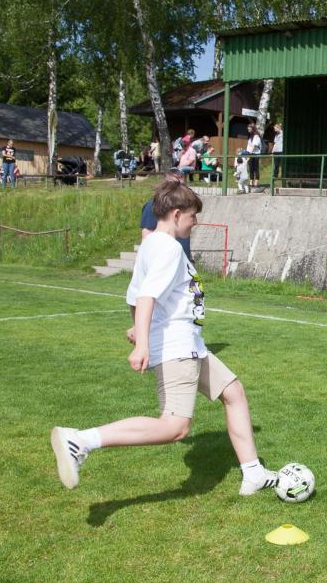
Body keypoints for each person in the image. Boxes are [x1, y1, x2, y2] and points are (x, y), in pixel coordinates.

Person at [50, 180, 277, 496]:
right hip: (177, 347)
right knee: (175, 427)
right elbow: (146, 296)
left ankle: (253, 473)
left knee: (233, 391)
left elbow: (133, 296)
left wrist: (139, 327)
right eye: (192, 216)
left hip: (190, 345)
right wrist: (143, 342)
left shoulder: (150, 246)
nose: (195, 223)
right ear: (176, 214)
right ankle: (81, 440)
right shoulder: (168, 247)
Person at [141, 168, 193, 260]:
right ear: (166, 184)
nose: (181, 189)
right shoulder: (152, 206)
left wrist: (190, 261)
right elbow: (147, 237)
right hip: (164, 260)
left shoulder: (183, 206)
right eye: (176, 185)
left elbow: (185, 239)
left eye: (183, 185)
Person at [244, 120, 263, 190]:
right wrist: (247, 153)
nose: (248, 129)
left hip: (256, 154)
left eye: (249, 128)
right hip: (250, 154)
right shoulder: (250, 137)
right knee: (251, 168)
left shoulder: (256, 136)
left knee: (256, 168)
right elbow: (248, 146)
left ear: (253, 129)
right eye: (248, 128)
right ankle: (251, 182)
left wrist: (249, 154)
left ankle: (256, 183)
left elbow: (254, 146)